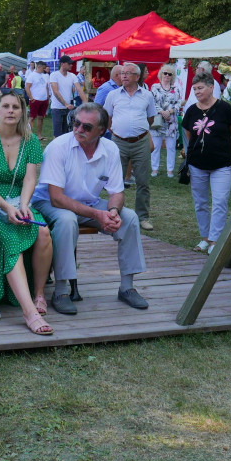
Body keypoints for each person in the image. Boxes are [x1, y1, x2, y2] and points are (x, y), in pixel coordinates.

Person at [32, 102, 148, 314]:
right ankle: (61, 291)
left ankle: (127, 287)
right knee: (67, 220)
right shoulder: (58, 146)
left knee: (129, 218)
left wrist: (112, 212)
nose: (78, 129)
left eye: (86, 127)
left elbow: (117, 192)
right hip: (48, 203)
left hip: (87, 204)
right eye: (76, 123)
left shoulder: (110, 148)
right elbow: (56, 198)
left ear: (101, 131)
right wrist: (97, 214)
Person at [0, 90, 54, 335]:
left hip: (20, 199)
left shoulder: (30, 141)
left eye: (15, 107)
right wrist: (7, 208)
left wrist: (25, 205)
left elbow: (30, 178)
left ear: (22, 112)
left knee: (44, 233)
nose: (10, 111)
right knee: (9, 239)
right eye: (5, 106)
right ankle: (29, 313)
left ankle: (39, 294)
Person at [182, 72, 231, 253]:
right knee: (200, 202)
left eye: (200, 88)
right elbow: (189, 134)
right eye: (195, 89)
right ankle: (205, 238)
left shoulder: (225, 109)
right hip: (197, 164)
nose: (197, 92)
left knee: (220, 201)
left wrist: (223, 150)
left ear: (211, 87)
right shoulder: (191, 110)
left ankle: (215, 241)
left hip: (221, 165)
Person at [103, 63, 157, 232]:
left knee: (143, 182)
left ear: (137, 76)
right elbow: (107, 118)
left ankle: (143, 217)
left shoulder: (147, 95)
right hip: (118, 142)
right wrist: (117, 131)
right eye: (122, 73)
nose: (124, 76)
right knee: (116, 182)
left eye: (128, 73)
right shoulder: (113, 95)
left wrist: (138, 131)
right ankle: (116, 214)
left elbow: (150, 119)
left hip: (140, 142)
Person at [150, 63, 183, 178]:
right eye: (165, 73)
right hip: (158, 121)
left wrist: (170, 112)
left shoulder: (176, 88)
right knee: (155, 146)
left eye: (170, 74)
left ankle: (170, 170)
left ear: (172, 76)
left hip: (171, 122)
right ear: (161, 74)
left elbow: (179, 103)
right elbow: (152, 102)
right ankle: (154, 169)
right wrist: (162, 112)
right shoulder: (155, 87)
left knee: (171, 147)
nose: (167, 76)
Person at [49, 56, 80, 137]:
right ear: (62, 64)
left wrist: (86, 104)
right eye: (69, 63)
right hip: (57, 108)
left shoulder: (72, 75)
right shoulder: (54, 75)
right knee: (57, 135)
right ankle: (56, 149)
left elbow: (79, 90)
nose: (71, 65)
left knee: (67, 134)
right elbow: (55, 91)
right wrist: (66, 104)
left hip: (68, 109)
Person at [26, 62, 50, 140]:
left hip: (44, 100)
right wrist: (31, 98)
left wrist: (47, 96)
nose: (45, 69)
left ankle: (39, 135)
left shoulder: (45, 76)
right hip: (35, 99)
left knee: (41, 117)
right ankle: (28, 134)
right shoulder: (32, 75)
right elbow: (27, 87)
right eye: (43, 68)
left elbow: (46, 86)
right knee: (32, 117)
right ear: (39, 67)